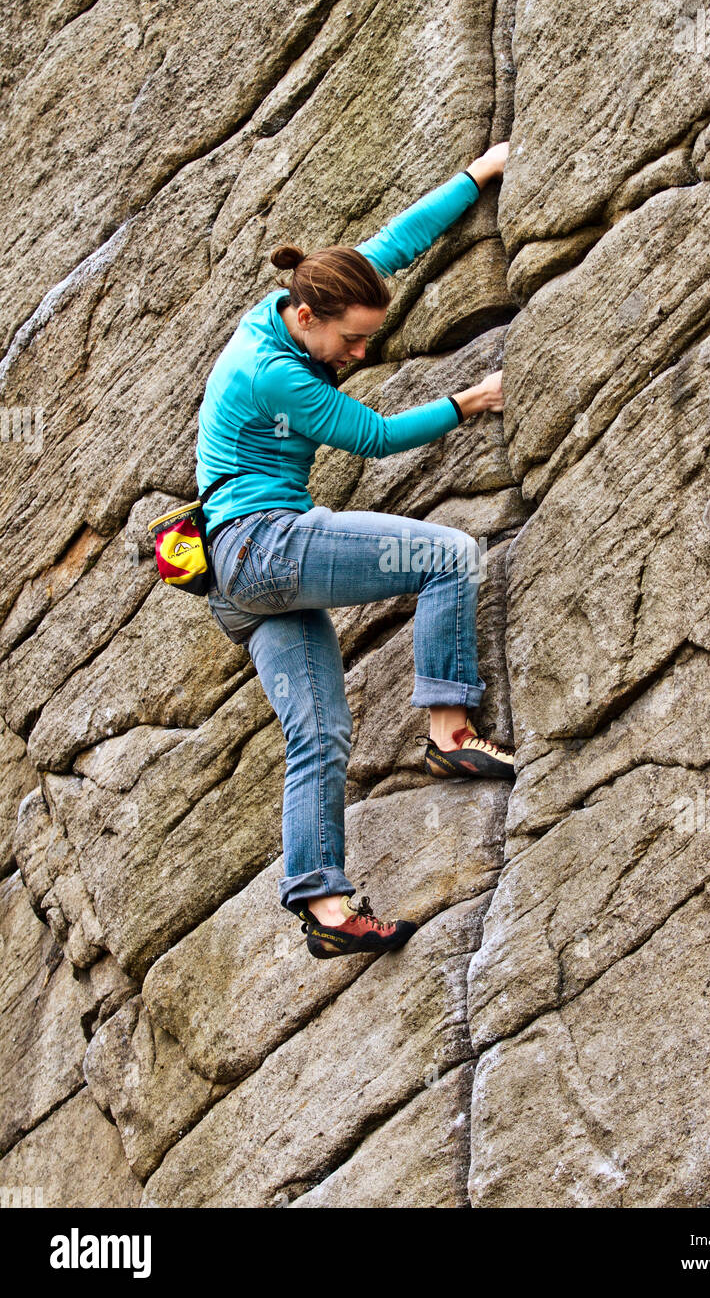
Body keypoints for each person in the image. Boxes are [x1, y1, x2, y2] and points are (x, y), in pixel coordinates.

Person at [196, 141, 515, 960]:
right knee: (446, 556)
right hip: (265, 546)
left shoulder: (307, 299)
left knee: (319, 736)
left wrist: (474, 176)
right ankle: (449, 729)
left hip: (239, 580)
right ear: (308, 320)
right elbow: (370, 438)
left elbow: (395, 245)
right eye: (355, 342)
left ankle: (325, 908)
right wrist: (467, 401)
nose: (362, 354)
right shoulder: (275, 375)